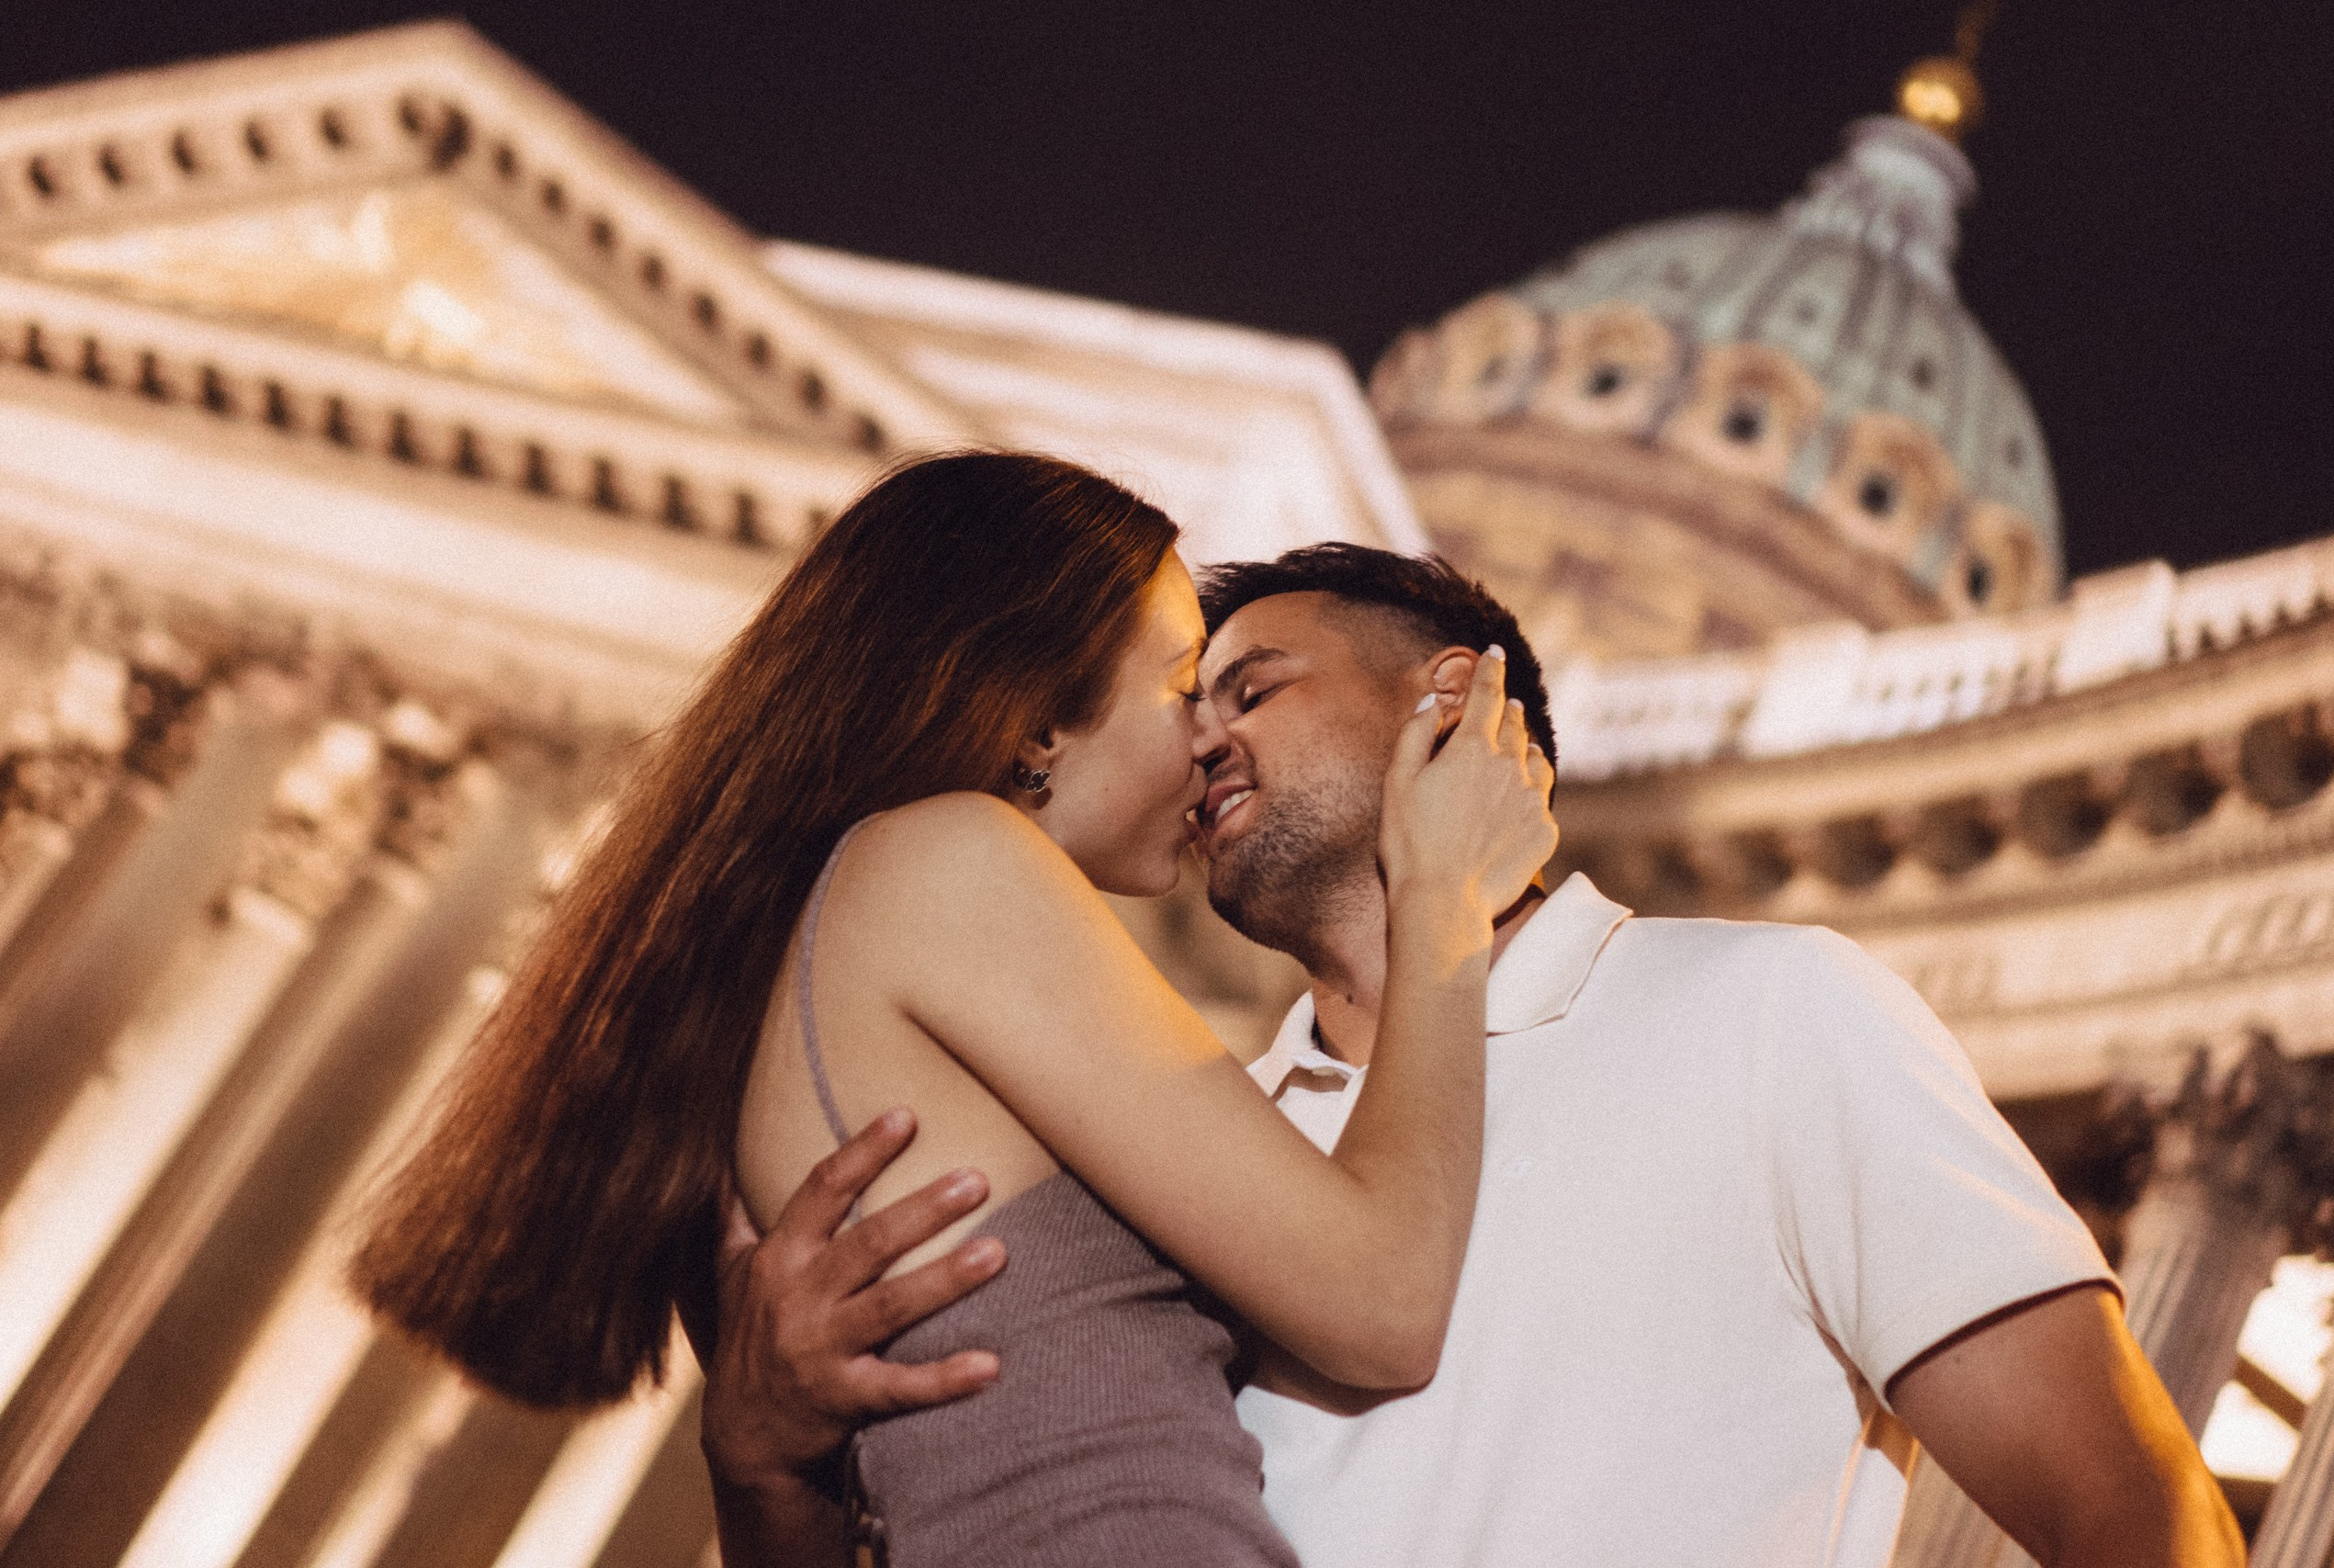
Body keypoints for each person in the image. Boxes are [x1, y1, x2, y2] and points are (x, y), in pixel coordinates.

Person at [704, 543, 2245, 1568]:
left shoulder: (1772, 1016)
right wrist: (766, 1465)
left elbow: (2134, 1517)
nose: (1203, 743)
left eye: (1253, 688)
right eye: (1188, 706)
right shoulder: (1183, 1149)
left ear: (1456, 702)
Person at [348, 456, 1557, 1568]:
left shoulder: (806, 959)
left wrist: (759, 1467)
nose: (1212, 740)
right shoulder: (948, 864)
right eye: (1187, 684)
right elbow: (1386, 1309)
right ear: (1035, 722)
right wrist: (1441, 902)